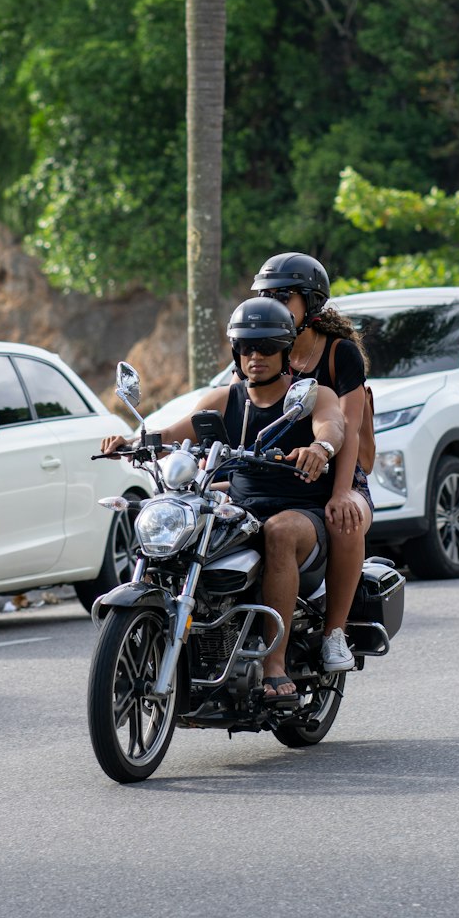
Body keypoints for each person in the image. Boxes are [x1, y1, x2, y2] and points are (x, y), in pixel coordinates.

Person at [100, 297, 345, 708]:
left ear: (285, 350)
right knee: (189, 522)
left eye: (266, 347)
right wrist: (134, 442)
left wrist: (320, 448)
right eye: (247, 348)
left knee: (278, 531)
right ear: (236, 351)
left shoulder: (310, 395)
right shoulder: (224, 399)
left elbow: (332, 425)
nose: (256, 356)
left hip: (302, 512)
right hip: (243, 509)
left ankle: (275, 665)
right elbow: (172, 434)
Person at [250, 251, 373, 673]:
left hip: (340, 469)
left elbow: (349, 429)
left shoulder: (339, 354)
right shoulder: (263, 346)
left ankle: (334, 633)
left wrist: (341, 492)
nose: (273, 303)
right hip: (277, 472)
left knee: (345, 517)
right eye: (266, 295)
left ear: (310, 302)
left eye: (284, 296)